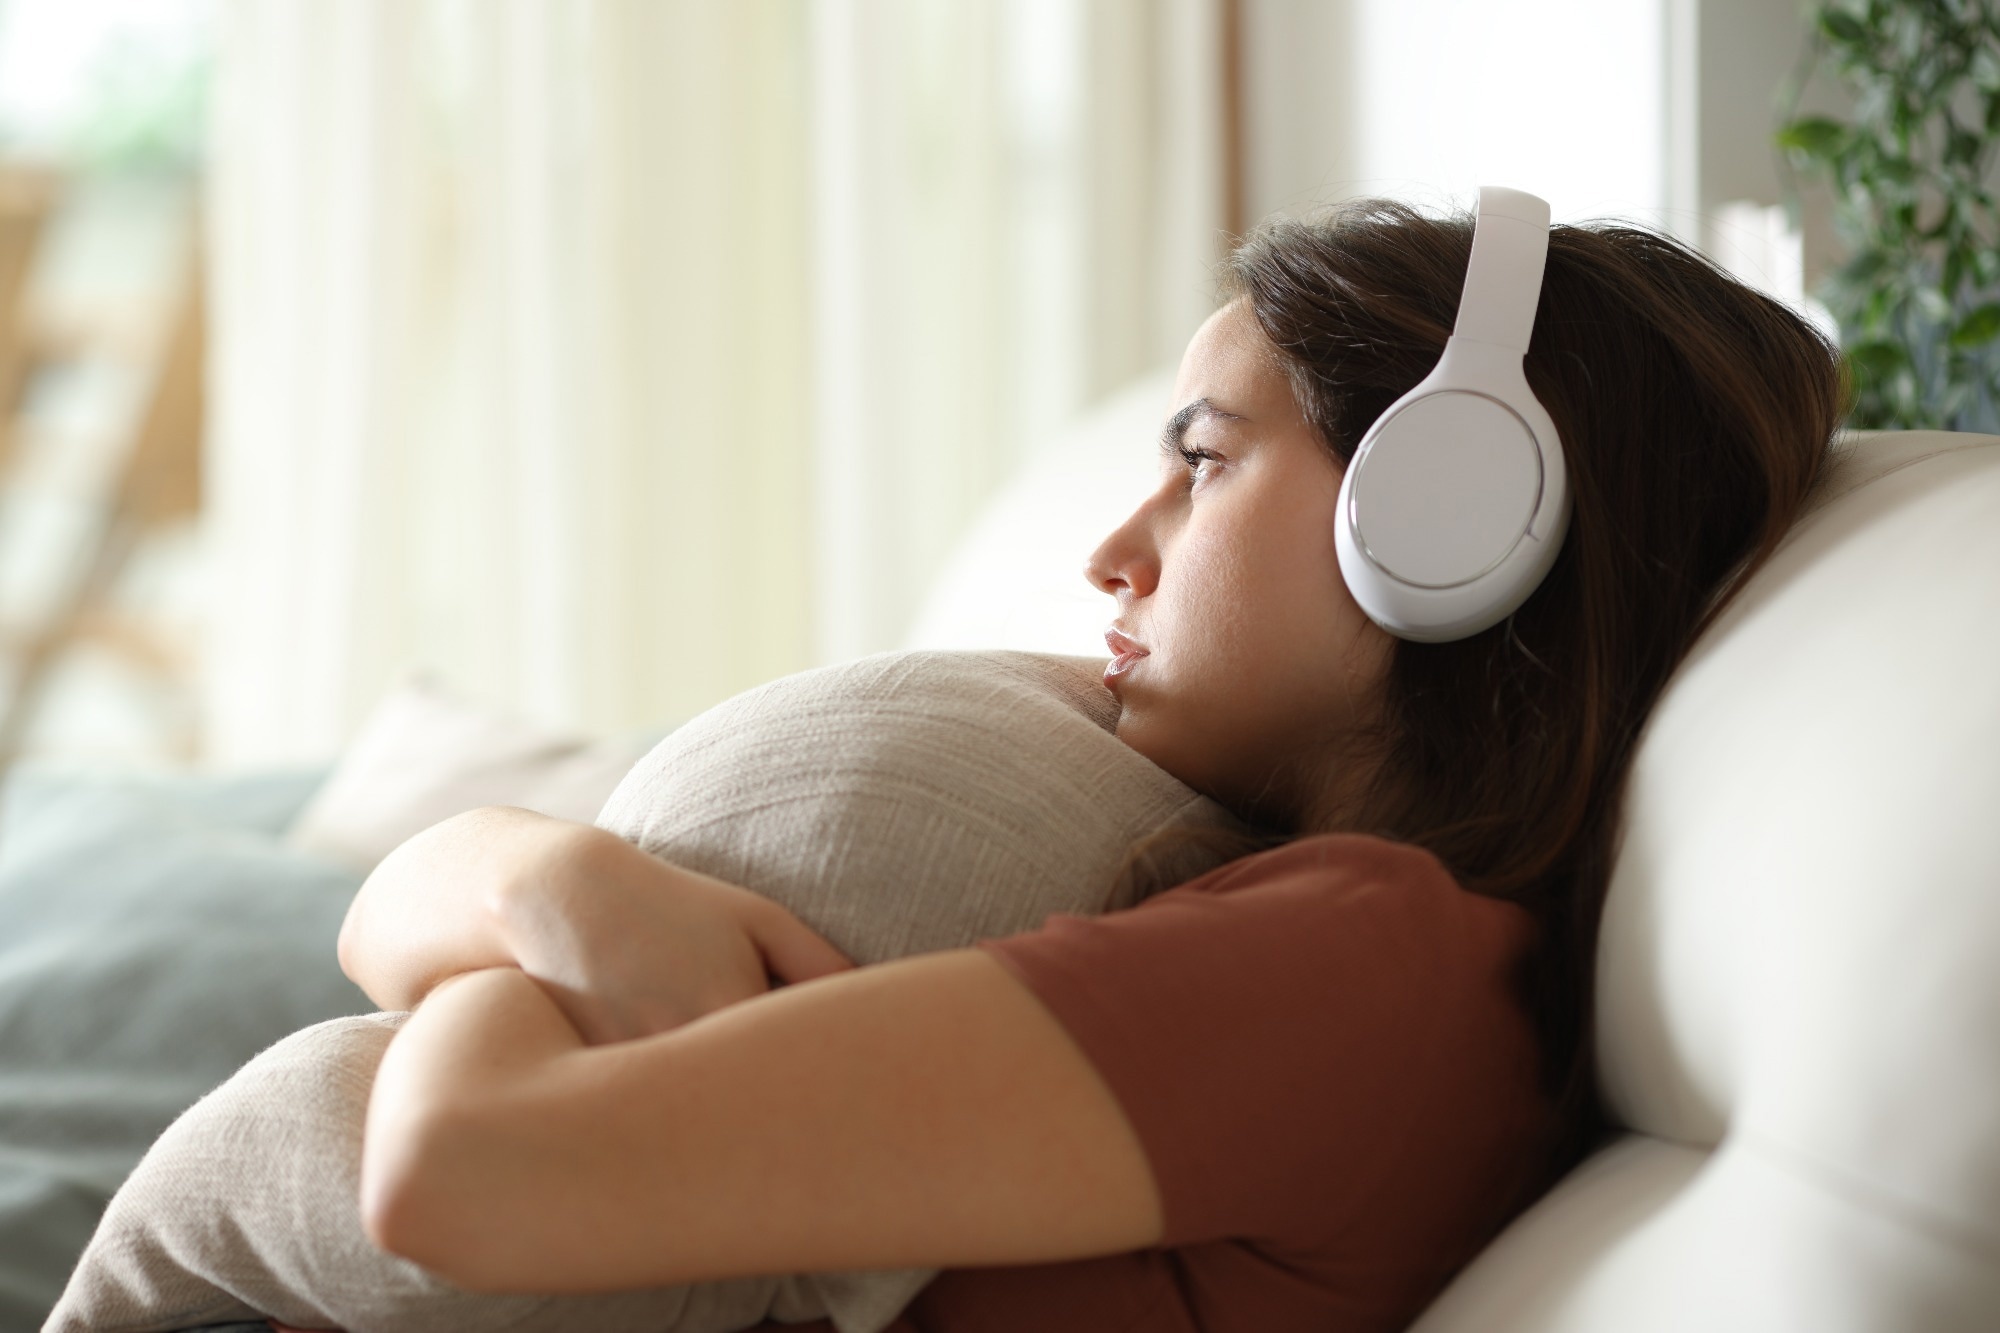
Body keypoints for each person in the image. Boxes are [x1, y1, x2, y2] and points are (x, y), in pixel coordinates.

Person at [337, 197, 1845, 1333]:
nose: (1114, 554)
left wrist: (540, 947)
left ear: (1444, 517)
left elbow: (458, 1173)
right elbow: (376, 914)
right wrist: (564, 878)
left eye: (1203, 462)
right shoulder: (1281, 896)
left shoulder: (1370, 962)